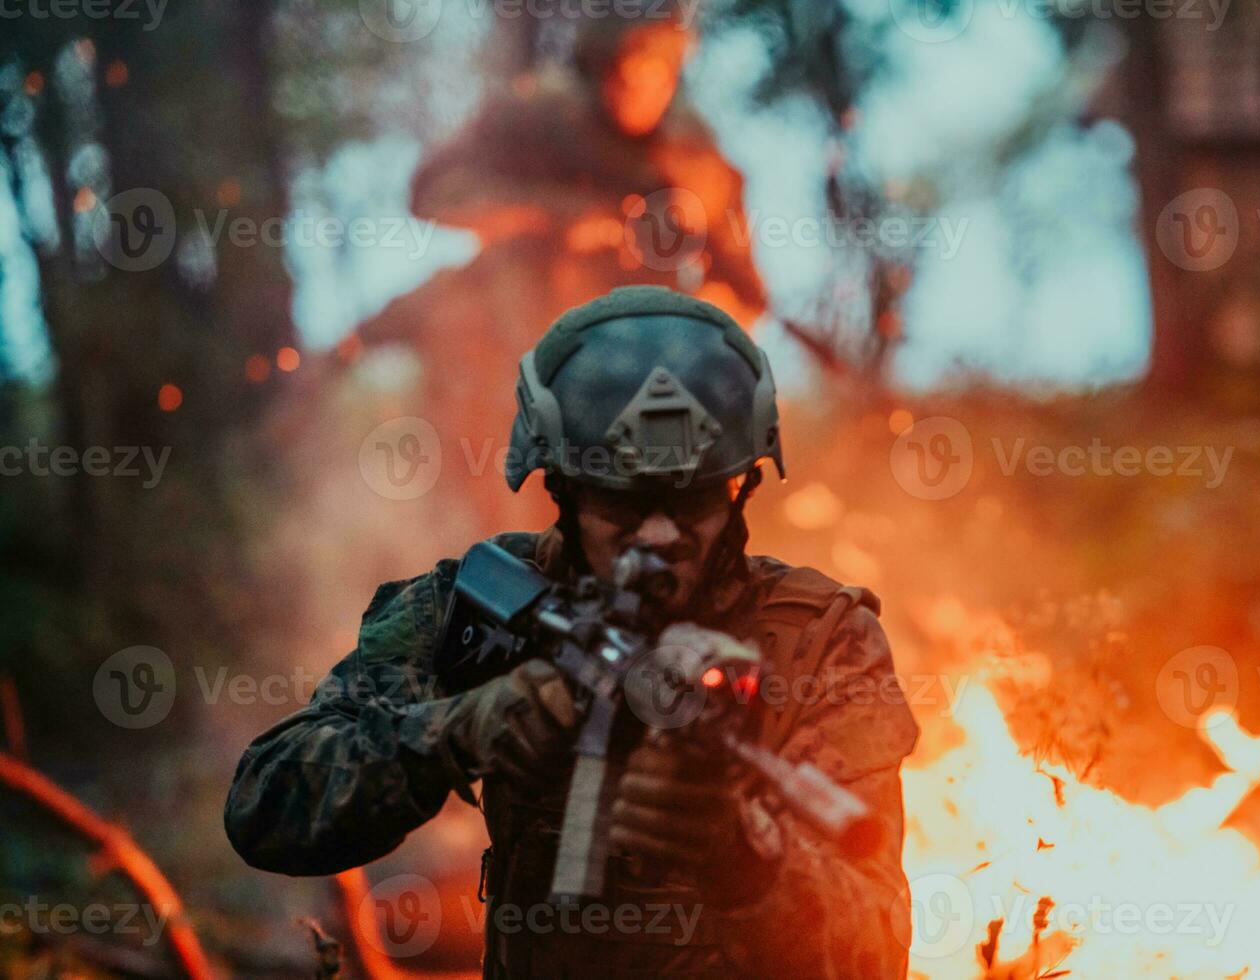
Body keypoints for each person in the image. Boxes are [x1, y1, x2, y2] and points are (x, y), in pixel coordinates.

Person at [224, 285, 920, 978]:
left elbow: (876, 955)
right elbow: (267, 807)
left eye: (692, 498)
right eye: (622, 499)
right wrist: (455, 733)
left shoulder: (822, 640)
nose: (658, 533)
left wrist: (747, 866)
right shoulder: (478, 603)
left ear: (740, 487)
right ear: (559, 486)